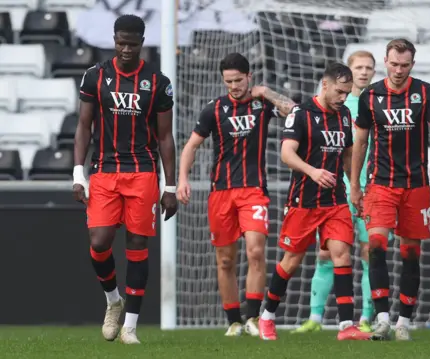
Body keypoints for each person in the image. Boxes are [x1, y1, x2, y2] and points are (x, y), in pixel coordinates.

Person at [72, 14, 177, 344]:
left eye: (132, 44)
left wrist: (170, 186)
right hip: (104, 171)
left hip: (142, 172)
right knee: (99, 243)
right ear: (114, 40)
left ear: (142, 43)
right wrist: (78, 174)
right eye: (121, 42)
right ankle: (113, 300)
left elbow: (165, 137)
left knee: (137, 244)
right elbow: (84, 127)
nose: (126, 49)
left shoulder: (158, 82)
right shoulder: (96, 77)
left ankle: (130, 326)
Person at [176, 53, 295, 337]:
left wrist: (266, 92)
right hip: (221, 193)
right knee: (225, 260)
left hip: (254, 190)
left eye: (238, 80)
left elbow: (296, 112)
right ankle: (234, 321)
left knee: (255, 250)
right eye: (228, 81)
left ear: (248, 77)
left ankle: (253, 317)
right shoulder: (214, 110)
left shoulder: (262, 104)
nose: (233, 86)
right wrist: (182, 179)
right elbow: (191, 146)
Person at [258, 63, 372, 341]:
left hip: (335, 201)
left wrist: (355, 188)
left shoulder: (345, 115)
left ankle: (347, 326)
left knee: (342, 254)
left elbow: (347, 155)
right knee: (291, 261)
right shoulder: (301, 114)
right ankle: (267, 316)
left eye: (347, 93)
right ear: (325, 84)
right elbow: (286, 153)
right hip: (304, 201)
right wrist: (312, 170)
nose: (343, 97)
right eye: (339, 91)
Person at [350, 38, 430, 341]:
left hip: (416, 186)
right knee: (376, 245)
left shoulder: (424, 92)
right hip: (380, 184)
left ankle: (404, 321)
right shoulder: (371, 95)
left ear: (412, 65)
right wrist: (354, 184)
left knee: (410, 253)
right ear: (386, 61)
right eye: (394, 64)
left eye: (405, 65)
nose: (398, 70)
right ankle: (382, 319)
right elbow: (360, 142)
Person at [293, 50, 383, 334]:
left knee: (371, 252)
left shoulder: (380, 103)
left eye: (369, 67)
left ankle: (367, 318)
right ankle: (315, 318)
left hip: (373, 189)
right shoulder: (338, 105)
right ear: (348, 71)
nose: (364, 72)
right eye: (359, 67)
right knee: (326, 254)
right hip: (337, 189)